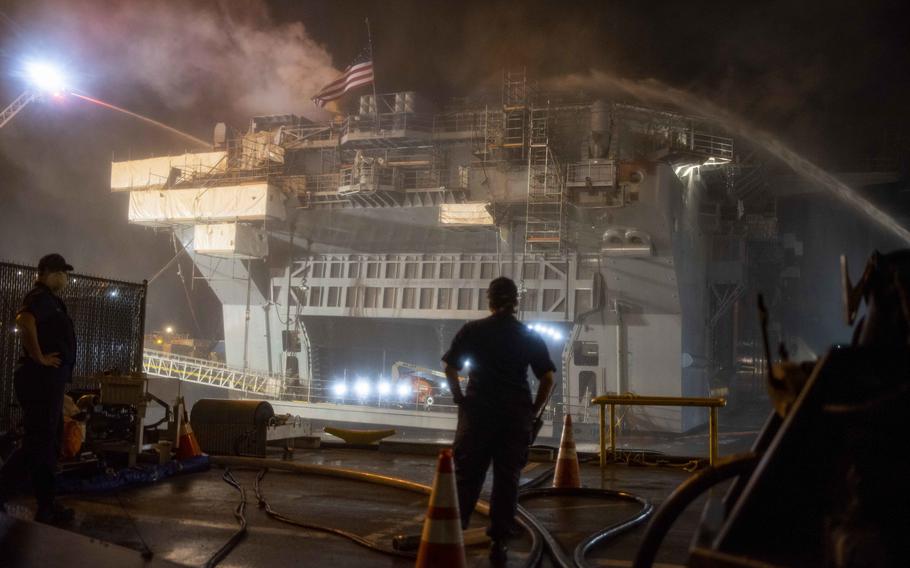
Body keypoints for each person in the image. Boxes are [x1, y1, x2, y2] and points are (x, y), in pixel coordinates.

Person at [442, 276, 555, 564]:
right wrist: (533, 411)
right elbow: (547, 377)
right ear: (516, 302)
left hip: (478, 413)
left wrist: (460, 399)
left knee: (467, 476)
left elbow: (450, 369)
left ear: (489, 301)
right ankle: (499, 541)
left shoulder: (472, 330)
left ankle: (452, 534)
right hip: (514, 417)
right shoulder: (527, 335)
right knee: (508, 481)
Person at [0, 254, 77, 524]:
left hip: (49, 383)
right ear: (49, 273)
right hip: (40, 380)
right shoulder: (40, 297)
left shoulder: (52, 301)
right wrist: (39, 357)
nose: (66, 279)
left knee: (48, 444)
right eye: (63, 273)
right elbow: (24, 321)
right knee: (38, 443)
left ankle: (47, 505)